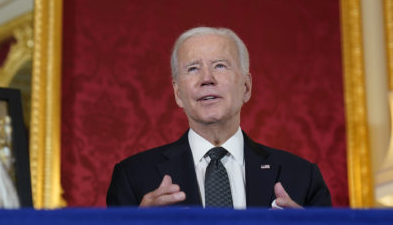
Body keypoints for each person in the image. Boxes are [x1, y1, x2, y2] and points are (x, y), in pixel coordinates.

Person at [106, 27, 331, 208]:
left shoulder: (302, 176)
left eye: (220, 66)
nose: (207, 79)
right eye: (193, 68)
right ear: (178, 94)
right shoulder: (132, 177)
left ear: (246, 86)